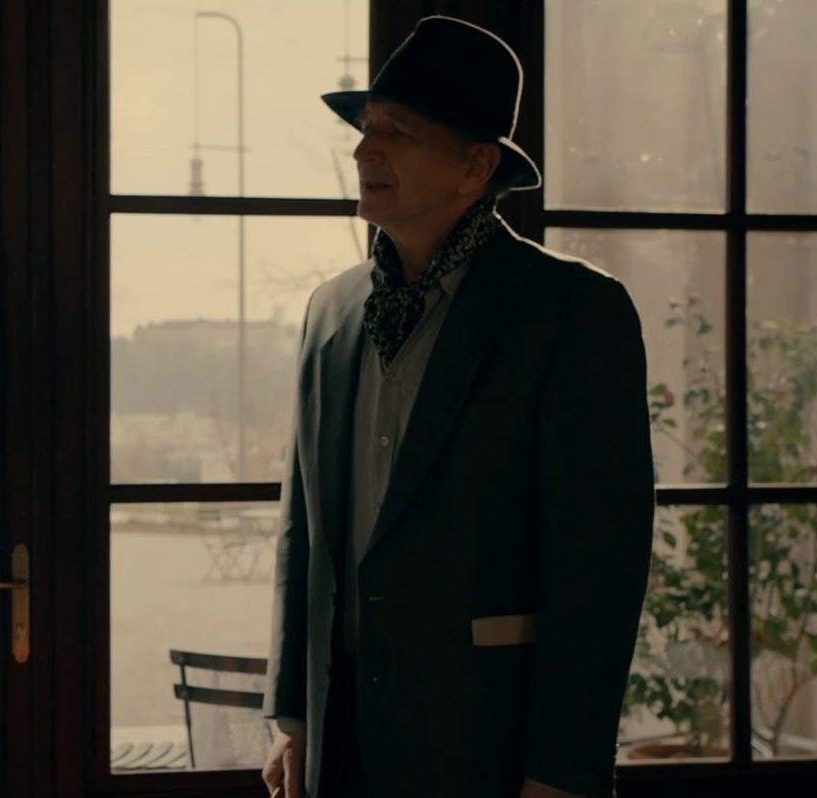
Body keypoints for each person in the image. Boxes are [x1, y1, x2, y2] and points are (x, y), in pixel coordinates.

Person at [260, 16, 655, 798]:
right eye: (366, 129)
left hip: (487, 745)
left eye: (397, 133)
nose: (364, 153)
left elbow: (598, 570)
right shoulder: (329, 310)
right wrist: (294, 716)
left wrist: (563, 771)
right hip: (341, 743)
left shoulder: (572, 312)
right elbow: (303, 525)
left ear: (476, 167)